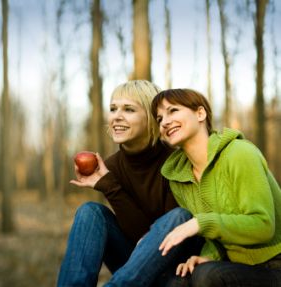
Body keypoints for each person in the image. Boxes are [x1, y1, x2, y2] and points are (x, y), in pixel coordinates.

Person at [57, 80, 191, 287]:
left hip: (172, 266)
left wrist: (110, 185)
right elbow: (135, 235)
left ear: (151, 117)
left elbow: (173, 236)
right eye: (113, 109)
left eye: (129, 109)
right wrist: (108, 185)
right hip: (131, 264)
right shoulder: (109, 168)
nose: (117, 116)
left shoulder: (177, 160)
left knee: (178, 216)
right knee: (90, 211)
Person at [149, 88, 281, 287]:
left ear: (200, 114)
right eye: (159, 119)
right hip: (235, 265)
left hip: (275, 265)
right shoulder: (178, 177)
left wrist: (199, 223)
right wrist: (208, 256)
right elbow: (215, 235)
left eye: (173, 111)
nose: (165, 122)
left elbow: (264, 226)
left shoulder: (239, 153)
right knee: (177, 282)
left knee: (206, 276)